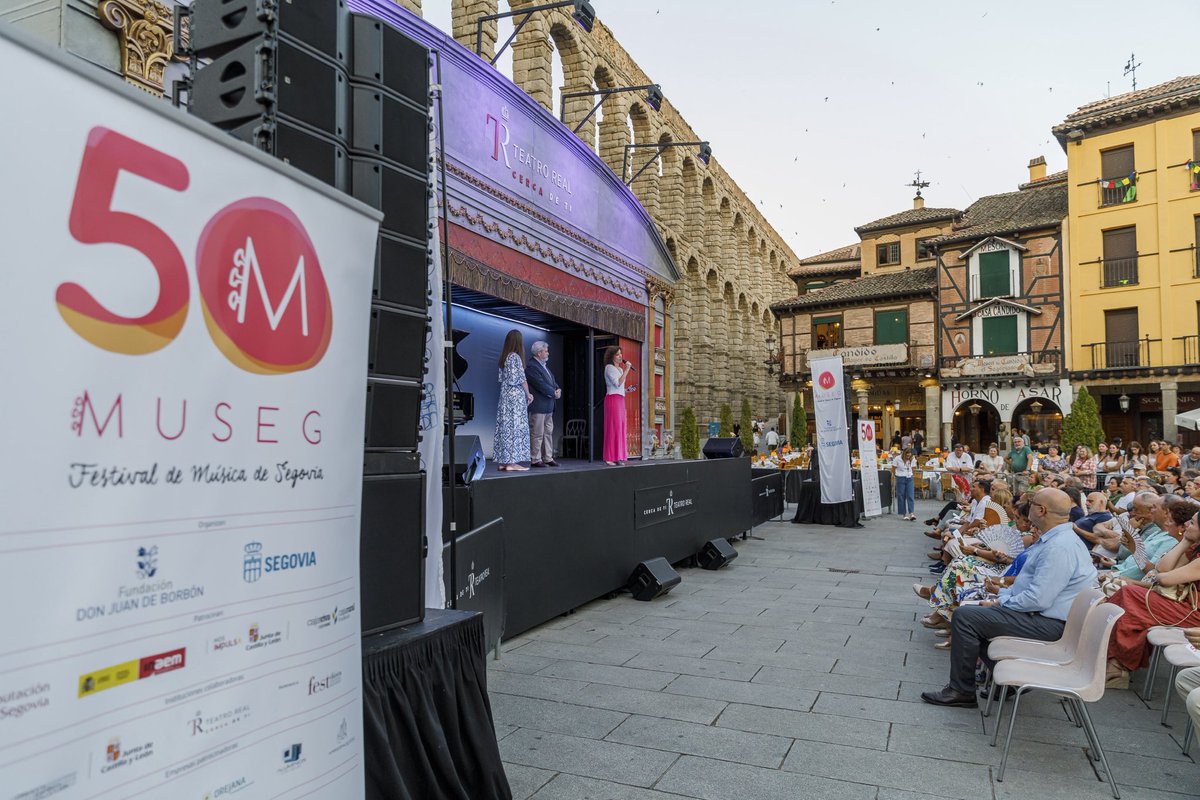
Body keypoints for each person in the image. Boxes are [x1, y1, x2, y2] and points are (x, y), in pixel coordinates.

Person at [921, 488, 1097, 707]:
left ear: (1041, 510)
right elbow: (1032, 590)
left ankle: (961, 690)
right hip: (1045, 617)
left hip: (1051, 624)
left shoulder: (1060, 547)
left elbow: (1038, 599)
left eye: (1031, 503)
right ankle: (1010, 681)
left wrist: (1000, 602)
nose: (1026, 505)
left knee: (966, 617)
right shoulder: (1058, 540)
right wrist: (1001, 596)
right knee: (973, 614)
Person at [1105, 506, 1200, 688]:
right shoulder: (1161, 536)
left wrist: (1135, 562)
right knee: (1122, 599)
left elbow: (1155, 573)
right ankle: (1113, 662)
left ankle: (1116, 664)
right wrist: (1133, 548)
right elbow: (1153, 569)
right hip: (1156, 589)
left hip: (1187, 607)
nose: (1166, 523)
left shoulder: (1169, 540)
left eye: (1170, 520)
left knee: (1127, 597)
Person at [494, 329, 533, 472]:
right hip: (515, 398)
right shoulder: (515, 357)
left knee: (505, 428)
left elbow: (501, 379)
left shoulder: (503, 358)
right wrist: (528, 394)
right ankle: (512, 463)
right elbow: (521, 379)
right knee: (515, 428)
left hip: (504, 397)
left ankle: (503, 462)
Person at [525, 340, 561, 468]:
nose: (548, 353)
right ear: (539, 353)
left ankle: (548, 458)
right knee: (537, 433)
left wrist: (557, 388)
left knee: (547, 433)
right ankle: (535, 459)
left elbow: (552, 380)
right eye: (546, 351)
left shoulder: (543, 366)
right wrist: (553, 392)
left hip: (548, 406)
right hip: (539, 406)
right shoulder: (531, 366)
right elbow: (540, 384)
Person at [602, 345, 632, 466]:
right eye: (618, 354)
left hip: (620, 398)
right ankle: (609, 456)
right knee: (613, 427)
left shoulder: (620, 370)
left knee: (620, 427)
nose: (621, 356)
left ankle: (618, 456)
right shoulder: (609, 368)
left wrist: (627, 390)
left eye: (621, 354)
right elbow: (616, 383)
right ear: (612, 356)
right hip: (612, 399)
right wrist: (627, 370)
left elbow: (620, 388)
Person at [892, 447, 917, 521]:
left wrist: (912, 474)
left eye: (909, 455)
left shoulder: (912, 458)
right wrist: (896, 475)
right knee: (901, 496)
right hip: (900, 477)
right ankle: (904, 514)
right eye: (907, 455)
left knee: (910, 495)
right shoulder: (897, 458)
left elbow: (914, 468)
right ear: (904, 454)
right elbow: (893, 468)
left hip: (909, 478)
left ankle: (911, 513)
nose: (908, 457)